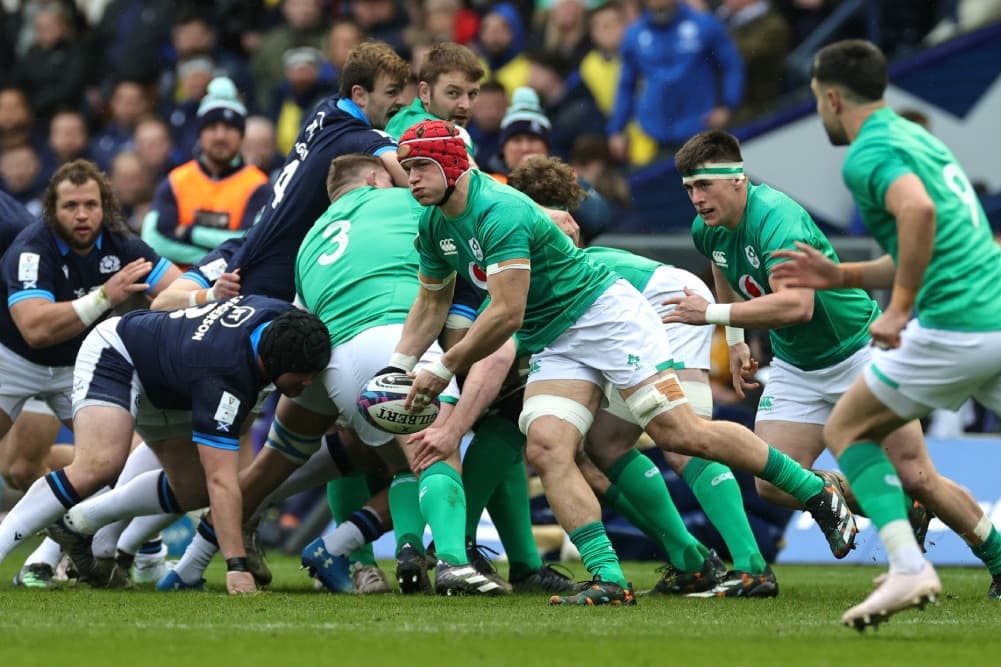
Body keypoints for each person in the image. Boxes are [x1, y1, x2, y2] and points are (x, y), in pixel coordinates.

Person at [390, 119, 856, 606]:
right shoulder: (435, 223)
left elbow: (507, 315)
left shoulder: (500, 212)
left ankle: (809, 492)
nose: (412, 178)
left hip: (611, 317)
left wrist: (443, 371)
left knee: (682, 435)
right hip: (559, 336)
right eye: (406, 168)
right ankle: (610, 577)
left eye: (421, 166)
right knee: (550, 447)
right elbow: (429, 304)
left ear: (454, 165)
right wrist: (398, 367)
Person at [666, 127, 1001, 605]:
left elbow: (797, 306)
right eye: (688, 189)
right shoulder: (710, 228)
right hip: (797, 365)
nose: (696, 199)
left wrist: (713, 316)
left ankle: (997, 556)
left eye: (704, 186)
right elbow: (720, 264)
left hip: (858, 351)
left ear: (738, 179)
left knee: (917, 473)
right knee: (773, 481)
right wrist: (737, 340)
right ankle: (892, 506)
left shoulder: (777, 218)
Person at [767, 39, 1001, 628]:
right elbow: (922, 244)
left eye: (818, 100)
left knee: (847, 429)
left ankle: (907, 567)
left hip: (956, 324)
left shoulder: (866, 154)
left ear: (833, 96)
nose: (820, 112)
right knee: (903, 460)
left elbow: (917, 213)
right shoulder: (916, 137)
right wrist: (840, 275)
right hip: (993, 313)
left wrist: (897, 309)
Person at [508, 155, 777, 597]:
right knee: (605, 445)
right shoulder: (556, 236)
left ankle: (752, 564)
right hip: (658, 302)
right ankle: (692, 559)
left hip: (668, 305)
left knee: (683, 437)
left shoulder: (537, 235)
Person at [0, 297, 331, 594]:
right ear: (271, 363)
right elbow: (223, 480)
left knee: (193, 489)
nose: (309, 382)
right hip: (119, 351)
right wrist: (236, 567)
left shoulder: (284, 321)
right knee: (99, 465)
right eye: (302, 375)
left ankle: (79, 521)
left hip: (171, 382)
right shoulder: (226, 375)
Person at [0, 159, 182, 584]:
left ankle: (63, 556)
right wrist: (105, 296)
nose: (82, 215)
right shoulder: (31, 248)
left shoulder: (122, 245)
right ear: (52, 210)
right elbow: (36, 328)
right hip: (13, 360)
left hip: (77, 365)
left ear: (105, 207)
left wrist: (197, 295)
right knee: (22, 466)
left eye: (90, 204)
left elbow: (178, 284)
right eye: (70, 206)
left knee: (131, 456)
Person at [142, 77, 270, 266]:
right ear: (200, 133)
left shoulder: (259, 186)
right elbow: (154, 240)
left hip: (232, 290)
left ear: (242, 135)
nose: (220, 136)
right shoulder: (176, 181)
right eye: (211, 127)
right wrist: (213, 259)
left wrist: (189, 233)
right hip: (175, 288)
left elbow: (251, 242)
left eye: (229, 127)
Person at [607, 0, 744, 166]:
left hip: (703, 128)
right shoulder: (634, 35)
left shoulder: (703, 24)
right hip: (659, 135)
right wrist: (617, 129)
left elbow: (731, 65)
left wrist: (727, 105)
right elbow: (626, 85)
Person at [384, 41, 484, 158]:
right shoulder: (451, 135)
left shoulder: (399, 119)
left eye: (472, 94)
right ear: (424, 92)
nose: (466, 105)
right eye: (453, 93)